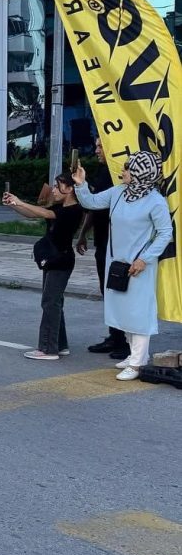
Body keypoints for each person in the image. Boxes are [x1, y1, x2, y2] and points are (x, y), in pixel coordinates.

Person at [74, 150, 173, 381]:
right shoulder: (119, 192)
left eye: (127, 168)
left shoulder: (155, 201)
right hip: (116, 262)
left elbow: (165, 233)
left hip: (140, 265)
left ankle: (137, 364)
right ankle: (134, 355)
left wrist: (144, 259)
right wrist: (81, 184)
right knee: (122, 310)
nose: (122, 171)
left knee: (139, 312)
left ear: (141, 172)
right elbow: (91, 201)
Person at [4, 172, 83, 360]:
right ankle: (60, 345)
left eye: (58, 186)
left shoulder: (73, 210)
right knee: (55, 302)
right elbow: (34, 213)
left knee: (50, 302)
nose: (54, 190)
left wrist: (20, 201)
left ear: (70, 189)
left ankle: (48, 349)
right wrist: (14, 205)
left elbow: (45, 213)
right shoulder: (59, 206)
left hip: (61, 260)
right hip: (53, 258)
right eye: (54, 186)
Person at [77, 137, 128, 359]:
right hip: (102, 241)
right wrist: (83, 234)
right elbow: (94, 205)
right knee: (106, 290)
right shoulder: (101, 171)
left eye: (100, 146)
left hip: (116, 243)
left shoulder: (117, 176)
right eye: (96, 145)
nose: (96, 150)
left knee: (117, 291)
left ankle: (124, 342)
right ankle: (114, 336)